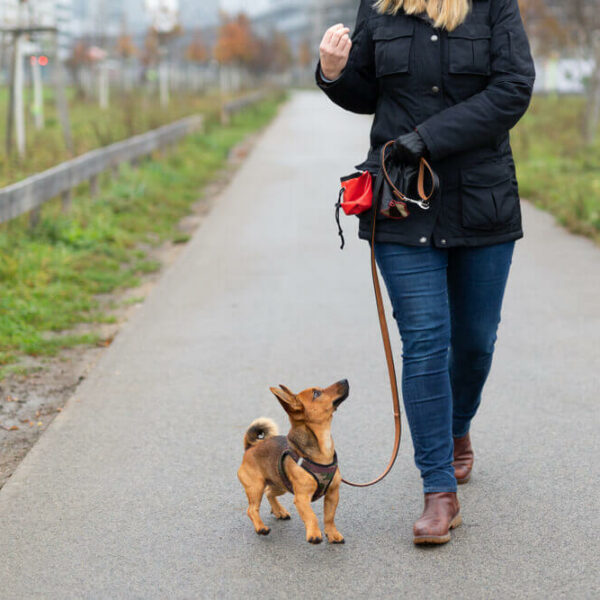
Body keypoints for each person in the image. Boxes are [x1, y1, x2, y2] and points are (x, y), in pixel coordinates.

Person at [316, 0, 535, 545]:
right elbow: (369, 93)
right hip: (399, 201)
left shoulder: (493, 7)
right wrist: (334, 72)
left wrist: (429, 139)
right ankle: (438, 491)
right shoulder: (380, 6)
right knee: (425, 340)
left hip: (480, 201)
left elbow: (513, 88)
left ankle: (457, 425)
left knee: (475, 342)